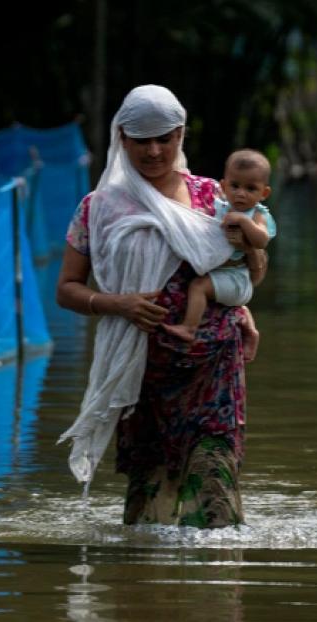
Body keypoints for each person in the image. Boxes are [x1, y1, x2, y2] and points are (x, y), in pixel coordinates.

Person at [56, 85, 266, 528]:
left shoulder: (217, 198)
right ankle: (145, 594)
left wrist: (244, 308)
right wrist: (118, 303)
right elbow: (68, 289)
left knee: (216, 507)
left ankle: (216, 593)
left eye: (164, 138)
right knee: (148, 519)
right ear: (122, 140)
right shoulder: (99, 208)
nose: (153, 151)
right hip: (143, 375)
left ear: (180, 135)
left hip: (213, 366)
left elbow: (247, 270)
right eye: (140, 140)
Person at [161, 148, 275, 363]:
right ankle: (246, 326)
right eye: (235, 186)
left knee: (198, 287)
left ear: (264, 193)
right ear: (223, 186)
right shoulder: (218, 206)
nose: (241, 193)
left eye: (251, 188)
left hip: (236, 277)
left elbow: (261, 240)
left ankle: (189, 328)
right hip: (223, 273)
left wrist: (243, 222)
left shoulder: (257, 214)